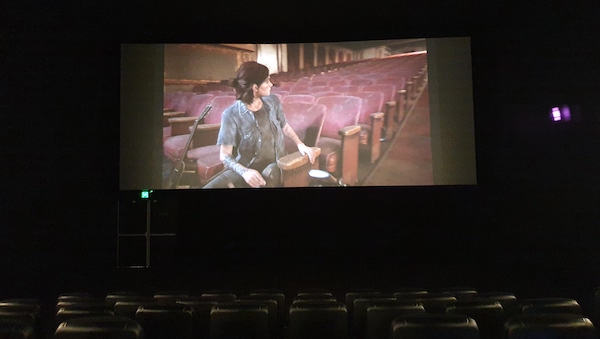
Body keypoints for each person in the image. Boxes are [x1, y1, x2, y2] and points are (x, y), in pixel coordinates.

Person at [203, 61, 315, 188]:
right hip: (246, 168)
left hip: (275, 164)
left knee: (269, 175)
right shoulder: (230, 115)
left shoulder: (273, 101)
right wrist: (244, 172)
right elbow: (225, 155)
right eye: (267, 81)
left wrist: (300, 144)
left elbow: (285, 126)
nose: (271, 84)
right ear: (255, 88)